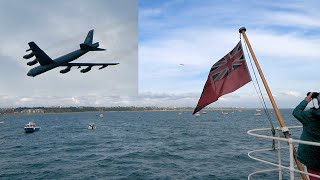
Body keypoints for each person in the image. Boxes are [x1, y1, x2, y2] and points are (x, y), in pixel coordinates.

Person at [292, 92, 320, 179]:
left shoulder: (310, 114)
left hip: (312, 156)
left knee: (314, 174)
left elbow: (296, 112)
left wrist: (307, 100)